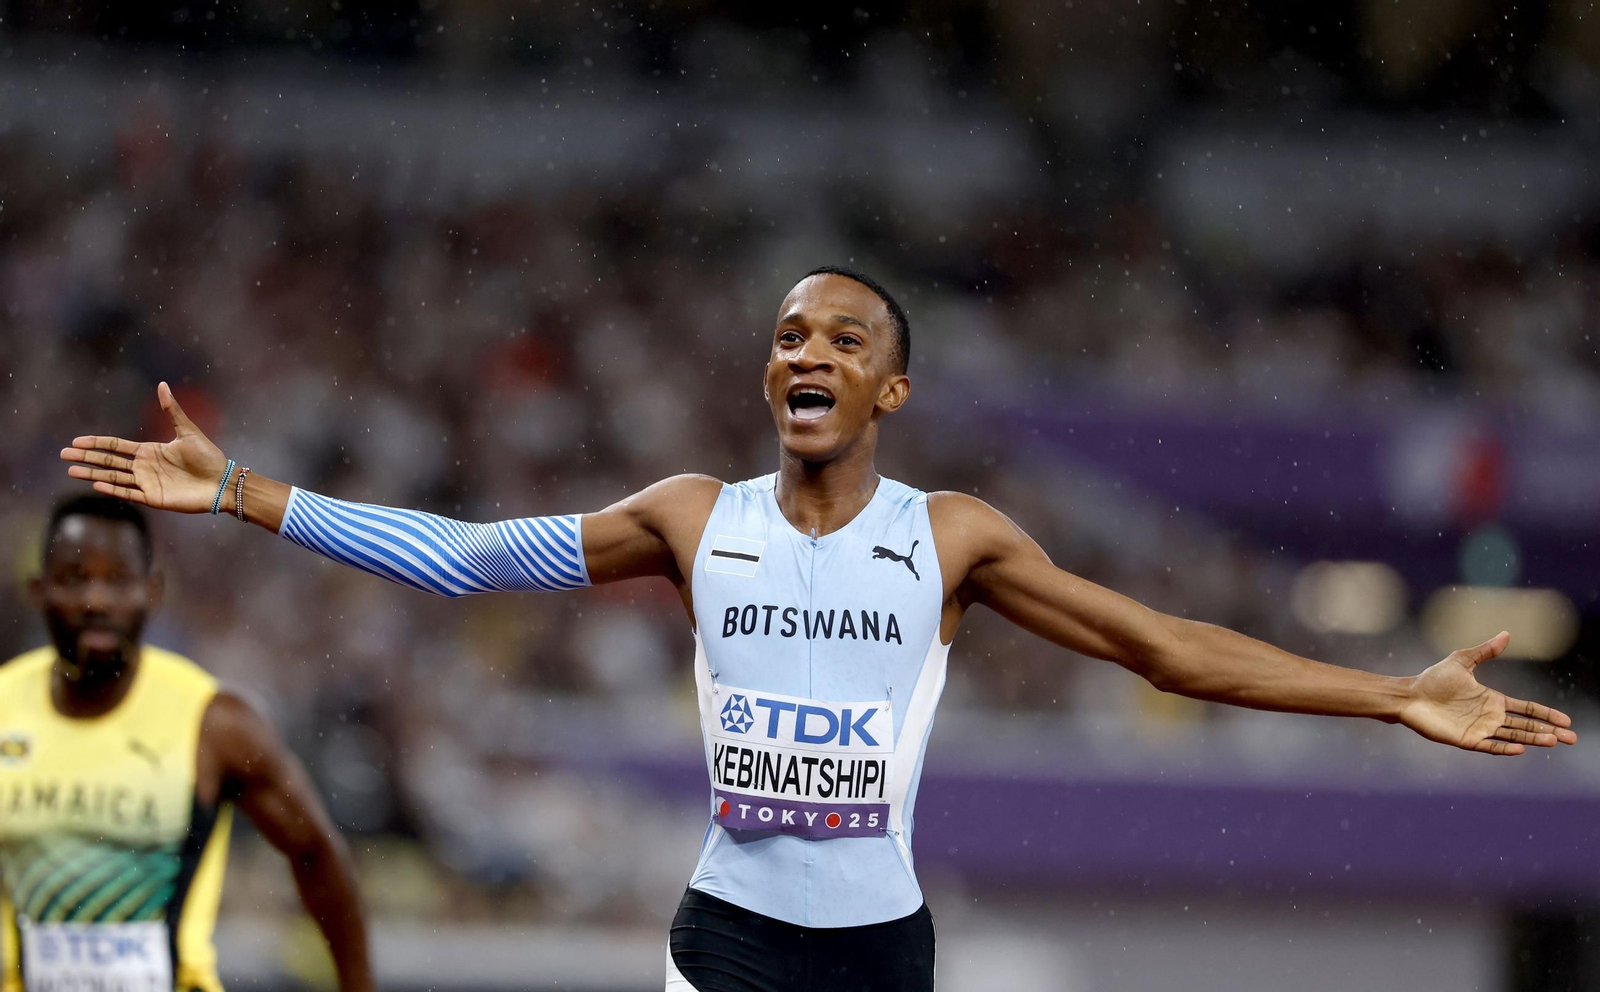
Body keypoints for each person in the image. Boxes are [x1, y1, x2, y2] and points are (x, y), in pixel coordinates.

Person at [61, 266, 1576, 992]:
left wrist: (1390, 697)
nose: (808, 350)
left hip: (879, 955)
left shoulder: (953, 538)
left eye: (845, 339)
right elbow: (461, 558)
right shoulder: (686, 516)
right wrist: (247, 491)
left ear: (889, 393)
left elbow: (1162, 646)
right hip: (725, 940)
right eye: (789, 334)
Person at [1, 495, 375, 992]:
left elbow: (316, 852)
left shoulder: (213, 723)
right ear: (39, 590)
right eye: (74, 579)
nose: (97, 601)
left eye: (118, 580)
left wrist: (358, 984)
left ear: (152, 591)